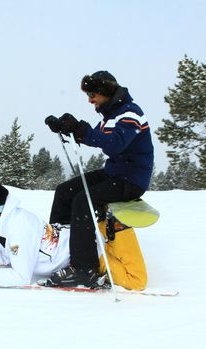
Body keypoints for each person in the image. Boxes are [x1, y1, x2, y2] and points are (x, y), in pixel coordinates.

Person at [44, 70, 154, 287]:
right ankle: (58, 251)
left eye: (92, 94)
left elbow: (115, 143)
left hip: (131, 179)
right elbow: (97, 137)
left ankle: (84, 269)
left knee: (83, 201)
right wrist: (70, 129)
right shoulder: (111, 115)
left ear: (105, 91)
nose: (90, 99)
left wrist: (81, 130)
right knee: (64, 191)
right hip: (115, 172)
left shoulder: (131, 113)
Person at [0, 182, 147, 290]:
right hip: (78, 238)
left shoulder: (20, 229)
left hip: (91, 255)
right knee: (105, 242)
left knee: (136, 281)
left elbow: (21, 277)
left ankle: (119, 227)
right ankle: (108, 226)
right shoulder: (13, 220)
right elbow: (8, 258)